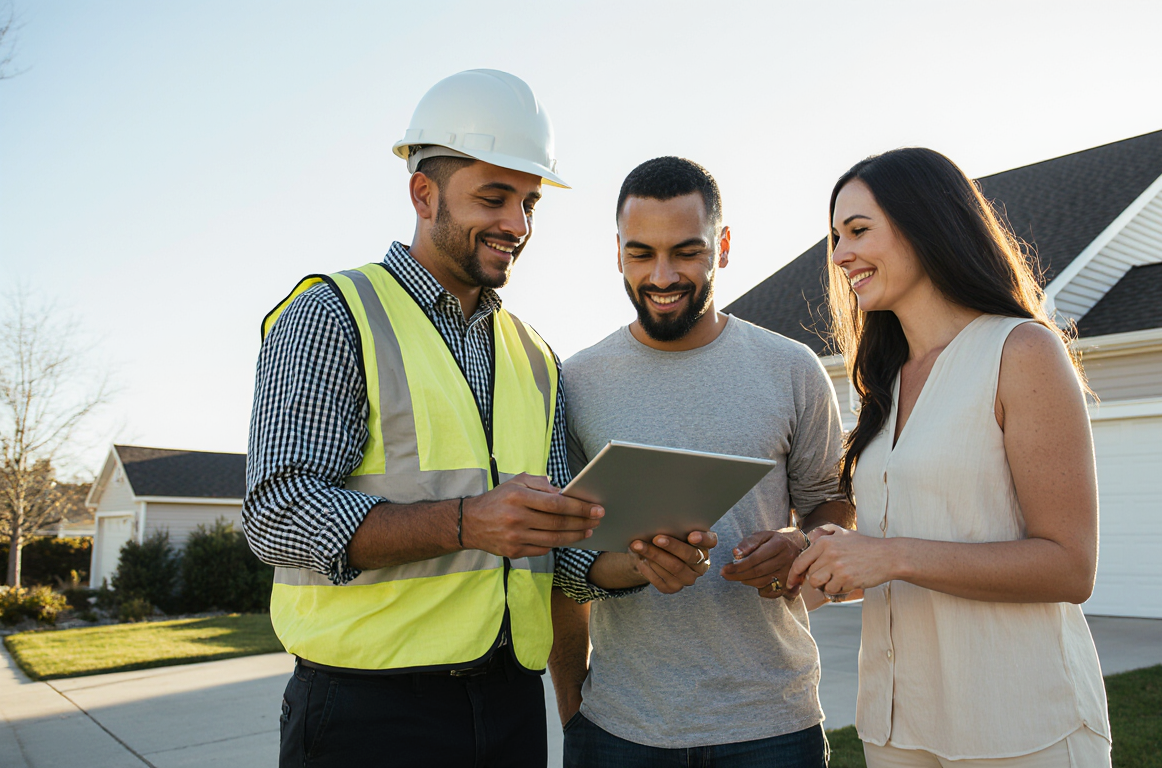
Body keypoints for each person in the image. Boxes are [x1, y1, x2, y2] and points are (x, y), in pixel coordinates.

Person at [243, 71, 715, 768]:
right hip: (367, 712)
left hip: (509, 706)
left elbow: (562, 554)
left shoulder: (534, 356)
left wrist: (639, 563)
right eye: (494, 198)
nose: (518, 225)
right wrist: (466, 523)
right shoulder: (334, 315)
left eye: (529, 203)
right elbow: (276, 515)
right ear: (423, 194)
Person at [788, 147, 1112, 767]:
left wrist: (889, 555)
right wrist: (814, 558)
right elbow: (896, 550)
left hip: (1021, 725)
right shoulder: (884, 381)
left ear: (925, 223)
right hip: (898, 727)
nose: (839, 255)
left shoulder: (1021, 352)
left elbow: (1071, 566)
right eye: (835, 237)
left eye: (858, 230)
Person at [550, 156, 855, 768]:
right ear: (617, 253)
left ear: (724, 246)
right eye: (641, 253)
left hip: (773, 724)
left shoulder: (793, 369)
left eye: (686, 252)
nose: (661, 275)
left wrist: (800, 543)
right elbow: (562, 558)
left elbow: (834, 505)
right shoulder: (574, 382)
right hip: (619, 728)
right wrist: (573, 711)